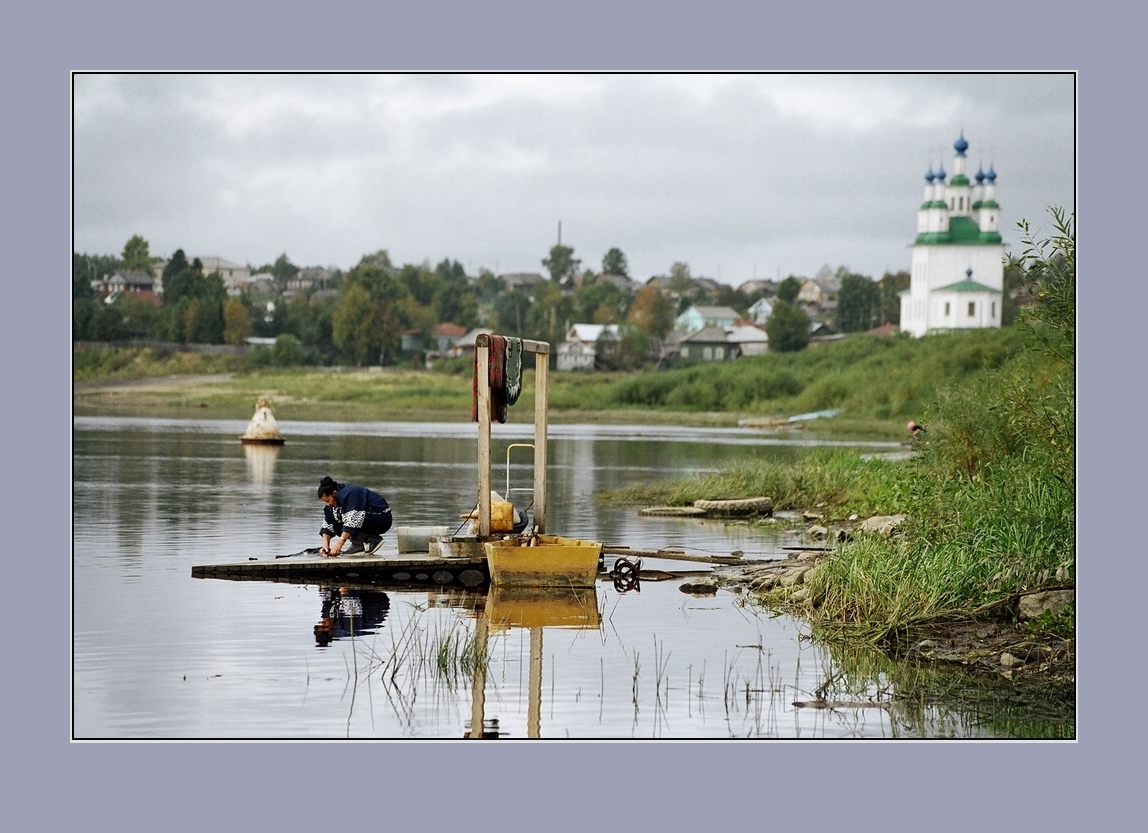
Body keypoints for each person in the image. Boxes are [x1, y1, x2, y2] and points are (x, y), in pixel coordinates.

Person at [316, 476, 393, 556]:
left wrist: (339, 544)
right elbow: (328, 524)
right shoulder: (333, 503)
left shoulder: (349, 494)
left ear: (334, 493)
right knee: (338, 525)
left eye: (328, 500)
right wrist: (326, 546)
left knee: (350, 521)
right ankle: (367, 541)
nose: (327, 504)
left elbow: (353, 521)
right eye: (325, 502)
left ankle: (361, 544)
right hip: (368, 518)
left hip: (381, 518)